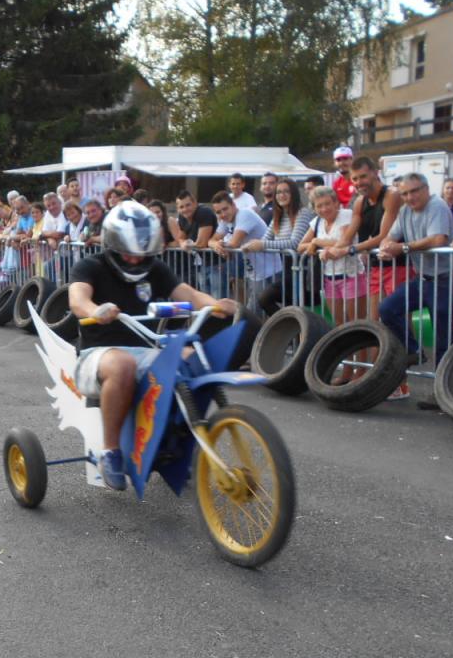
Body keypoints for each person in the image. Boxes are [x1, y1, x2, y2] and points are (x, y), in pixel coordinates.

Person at [67, 200, 235, 490]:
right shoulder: (89, 266)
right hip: (98, 355)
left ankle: (180, 440)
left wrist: (217, 305)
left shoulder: (155, 268)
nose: (135, 260)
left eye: (141, 254)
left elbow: (189, 294)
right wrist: (95, 311)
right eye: (129, 253)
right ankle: (110, 452)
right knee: (123, 364)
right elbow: (77, 299)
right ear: (114, 244)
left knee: (189, 357)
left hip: (146, 351)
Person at [376, 172, 453, 400]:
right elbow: (389, 236)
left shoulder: (437, 205)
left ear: (425, 189)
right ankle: (413, 350)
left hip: (445, 279)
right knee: (387, 308)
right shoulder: (404, 211)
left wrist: (401, 248)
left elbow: (438, 239)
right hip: (423, 278)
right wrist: (385, 247)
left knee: (444, 337)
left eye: (414, 191)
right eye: (404, 193)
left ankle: (444, 392)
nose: (410, 197)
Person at [244, 179, 316, 314]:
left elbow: (295, 243)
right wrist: (249, 245)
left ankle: (290, 329)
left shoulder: (303, 213)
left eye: (286, 192)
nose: (282, 195)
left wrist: (261, 245)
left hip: (302, 270)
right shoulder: (279, 216)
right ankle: (287, 330)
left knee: (268, 299)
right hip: (285, 270)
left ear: (294, 194)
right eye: (279, 192)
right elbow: (265, 239)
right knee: (274, 303)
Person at [298, 186, 364, 325]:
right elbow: (300, 246)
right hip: (329, 278)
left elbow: (344, 241)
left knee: (356, 322)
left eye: (327, 203)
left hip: (351, 275)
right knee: (339, 322)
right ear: (314, 208)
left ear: (335, 203)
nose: (324, 209)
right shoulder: (316, 222)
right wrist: (316, 244)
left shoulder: (346, 215)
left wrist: (316, 241)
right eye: (319, 206)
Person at [342, 155, 403, 304]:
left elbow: (384, 236)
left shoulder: (391, 195)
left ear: (375, 173)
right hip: (376, 265)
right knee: (374, 320)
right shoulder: (359, 202)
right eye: (354, 179)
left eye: (363, 177)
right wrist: (331, 249)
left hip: (399, 263)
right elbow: (347, 236)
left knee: (396, 317)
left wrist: (350, 249)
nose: (358, 183)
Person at [209, 189, 272, 310]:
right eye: (218, 212)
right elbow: (211, 240)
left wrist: (219, 244)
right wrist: (216, 244)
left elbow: (233, 243)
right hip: (253, 271)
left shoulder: (244, 214)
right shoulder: (225, 220)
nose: (223, 214)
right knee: (257, 311)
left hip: (267, 271)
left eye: (225, 209)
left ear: (233, 205)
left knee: (255, 311)